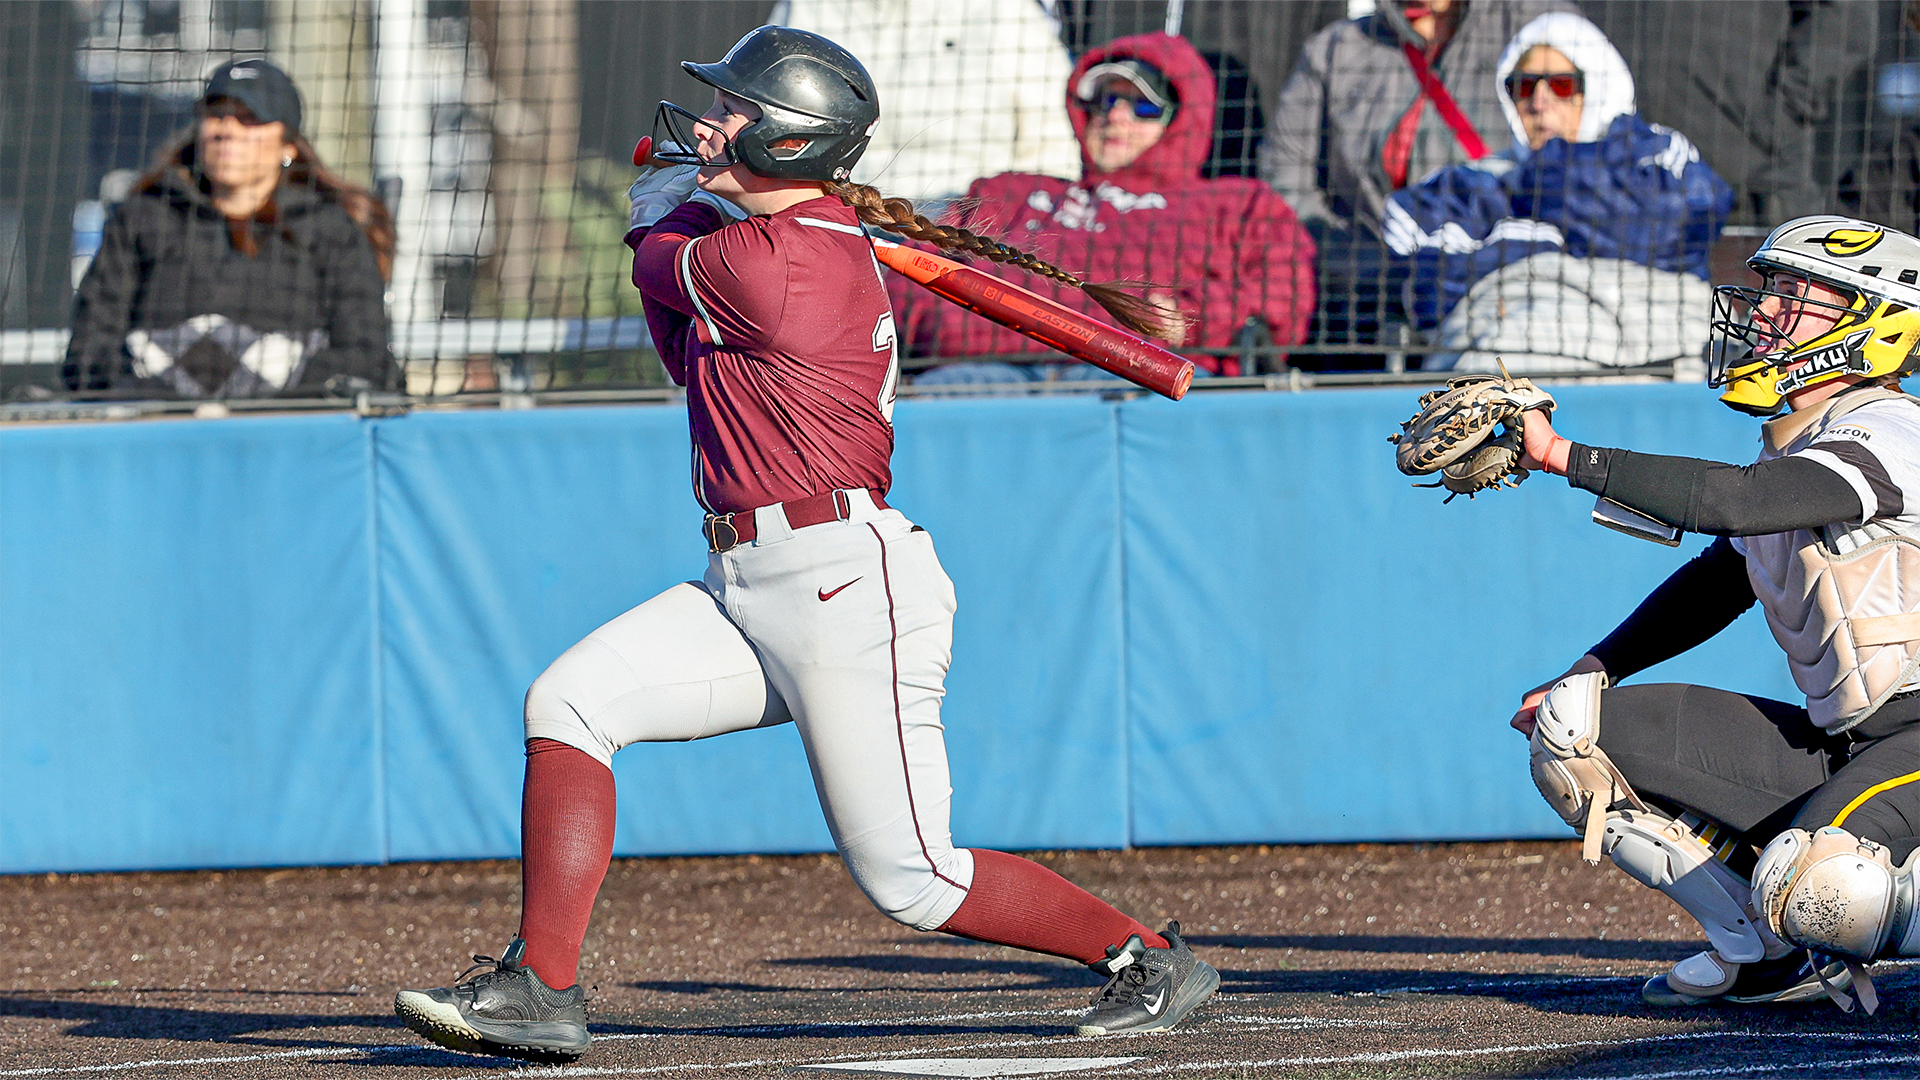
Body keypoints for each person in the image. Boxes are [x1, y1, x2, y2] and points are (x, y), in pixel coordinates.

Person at [392, 27, 1219, 1063]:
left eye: (734, 110)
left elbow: (664, 262)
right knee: (569, 701)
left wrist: (668, 218)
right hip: (745, 577)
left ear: (788, 142)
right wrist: (680, 219)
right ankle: (540, 988)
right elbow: (679, 349)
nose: (707, 122)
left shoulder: (775, 261)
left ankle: (1147, 958)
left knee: (915, 881)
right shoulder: (779, 249)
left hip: (843, 586)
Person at [1509, 215, 1920, 1010]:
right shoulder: (1802, 441)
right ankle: (1763, 955)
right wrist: (1595, 667)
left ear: (1872, 319)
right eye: (1770, 291)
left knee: (1814, 885)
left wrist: (1566, 457)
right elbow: (1719, 578)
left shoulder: (1894, 429)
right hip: (1853, 740)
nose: (1765, 311)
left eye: (1794, 293)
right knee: (1577, 729)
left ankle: (1822, 911)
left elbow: (1738, 505)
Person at [902, 31, 1313, 384]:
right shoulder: (1007, 193)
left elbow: (1284, 298)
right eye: (1104, 101)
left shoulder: (1236, 205)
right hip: (985, 370)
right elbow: (907, 277)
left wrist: (1189, 317)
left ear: (1182, 117)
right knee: (940, 396)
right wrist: (1134, 318)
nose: (1116, 118)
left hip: (1134, 372)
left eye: (1144, 106)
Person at [1381, 12, 1734, 372]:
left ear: (1598, 86)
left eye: (1562, 85)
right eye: (1523, 86)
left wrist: (1544, 182)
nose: (1539, 102)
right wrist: (1558, 239)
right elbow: (1431, 283)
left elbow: (1673, 223)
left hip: (1663, 346)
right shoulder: (1467, 185)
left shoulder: (1657, 153)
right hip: (1528, 355)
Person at [63, 59, 396, 400]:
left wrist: (271, 411)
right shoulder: (143, 220)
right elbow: (91, 351)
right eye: (216, 114)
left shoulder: (329, 229)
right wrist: (166, 407)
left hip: (286, 439)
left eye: (249, 118)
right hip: (163, 437)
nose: (227, 130)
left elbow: (365, 357)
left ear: (288, 145)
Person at [1259, 0, 1571, 349]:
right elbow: (1285, 177)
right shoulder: (1334, 51)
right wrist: (1355, 259)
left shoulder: (1535, 21)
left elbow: (1584, 134)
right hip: (1370, 303)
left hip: (1508, 290)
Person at [765, 0, 1081, 204]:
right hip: (829, 218)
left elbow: (1055, 149)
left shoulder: (1006, 13)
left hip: (960, 237)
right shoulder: (807, 8)